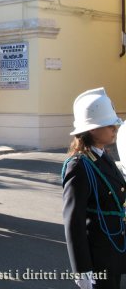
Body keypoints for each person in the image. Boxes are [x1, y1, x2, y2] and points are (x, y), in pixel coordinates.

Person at [62, 87, 126, 289]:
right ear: (91, 129)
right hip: (99, 256)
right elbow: (74, 223)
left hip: (115, 248)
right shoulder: (79, 166)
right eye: (109, 125)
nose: (115, 129)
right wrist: (82, 270)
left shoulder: (103, 155)